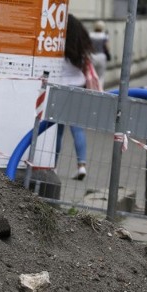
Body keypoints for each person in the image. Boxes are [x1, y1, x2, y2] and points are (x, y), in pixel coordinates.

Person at [53, 13, 93, 179]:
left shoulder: (58, 42)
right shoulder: (81, 44)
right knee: (78, 128)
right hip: (79, 87)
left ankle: (52, 166)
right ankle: (81, 166)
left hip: (60, 87)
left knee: (57, 130)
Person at [88, 20, 111, 88]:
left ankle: (92, 88)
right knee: (100, 76)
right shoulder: (104, 36)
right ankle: (100, 89)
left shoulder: (90, 35)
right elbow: (108, 48)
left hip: (92, 56)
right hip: (101, 56)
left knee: (92, 74)